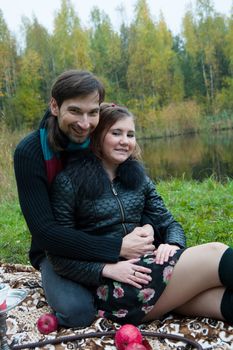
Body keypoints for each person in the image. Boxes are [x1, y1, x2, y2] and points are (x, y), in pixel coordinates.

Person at [48, 103, 233, 327]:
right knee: (215, 252)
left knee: (222, 300)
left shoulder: (138, 180)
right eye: (116, 133)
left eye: (130, 134)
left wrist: (172, 243)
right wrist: (107, 269)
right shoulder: (69, 182)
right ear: (97, 136)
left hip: (148, 273)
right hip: (112, 286)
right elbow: (59, 256)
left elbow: (169, 223)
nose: (125, 141)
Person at [13, 71, 156, 328]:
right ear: (54, 106)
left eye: (93, 112)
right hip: (57, 250)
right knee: (77, 313)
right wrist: (116, 249)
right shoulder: (31, 152)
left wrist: (148, 226)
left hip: (107, 233)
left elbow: (130, 189)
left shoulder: (99, 137)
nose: (85, 123)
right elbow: (45, 232)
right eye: (75, 111)